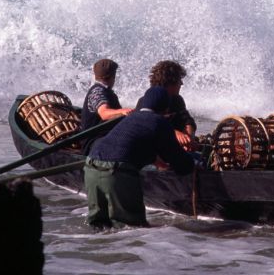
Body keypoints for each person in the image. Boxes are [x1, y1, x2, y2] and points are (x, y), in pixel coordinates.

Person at [84, 86, 195, 228]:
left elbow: (133, 145)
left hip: (90, 166)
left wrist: (156, 161)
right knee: (132, 228)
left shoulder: (130, 118)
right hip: (116, 173)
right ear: (165, 108)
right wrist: (191, 165)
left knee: (99, 225)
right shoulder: (159, 123)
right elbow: (179, 161)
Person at [137, 60, 197, 149]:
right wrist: (174, 133)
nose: (181, 83)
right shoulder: (147, 101)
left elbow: (188, 121)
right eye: (179, 80)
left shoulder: (177, 100)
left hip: (174, 147)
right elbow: (148, 126)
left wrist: (189, 138)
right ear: (170, 82)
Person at [79, 58, 133, 154]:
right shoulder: (97, 91)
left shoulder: (106, 91)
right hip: (93, 144)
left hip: (104, 138)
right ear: (112, 76)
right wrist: (122, 111)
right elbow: (104, 113)